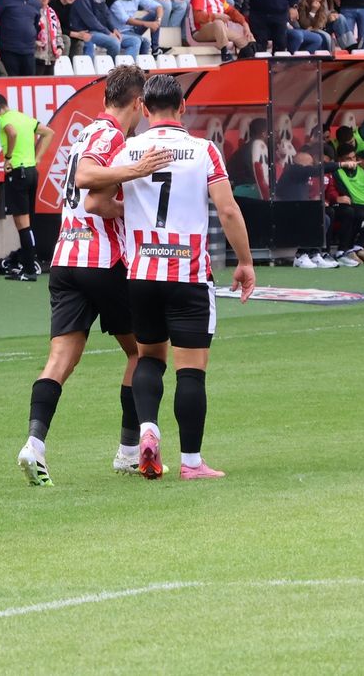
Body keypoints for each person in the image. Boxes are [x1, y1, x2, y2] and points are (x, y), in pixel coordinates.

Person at [95, 73, 255, 480]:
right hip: (188, 274)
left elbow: (97, 202)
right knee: (191, 369)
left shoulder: (128, 149)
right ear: (182, 107)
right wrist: (245, 261)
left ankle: (148, 428)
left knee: (149, 357)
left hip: (141, 274)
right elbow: (228, 209)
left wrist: (132, 211)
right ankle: (191, 463)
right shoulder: (203, 150)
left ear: (144, 108)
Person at [18, 66, 172, 486]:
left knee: (60, 359)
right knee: (145, 354)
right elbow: (90, 190)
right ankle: (128, 452)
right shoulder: (109, 136)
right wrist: (136, 178)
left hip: (65, 259)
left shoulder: (85, 133)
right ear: (139, 103)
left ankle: (34, 445)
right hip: (102, 261)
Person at [0, 93, 54, 282]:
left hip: (18, 173)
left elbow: (12, 133)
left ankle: (29, 269)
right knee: (27, 223)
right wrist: (37, 158)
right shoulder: (23, 117)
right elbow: (49, 132)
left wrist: (8, 157)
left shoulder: (4, 119)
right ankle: (28, 265)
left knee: (22, 224)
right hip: (31, 172)